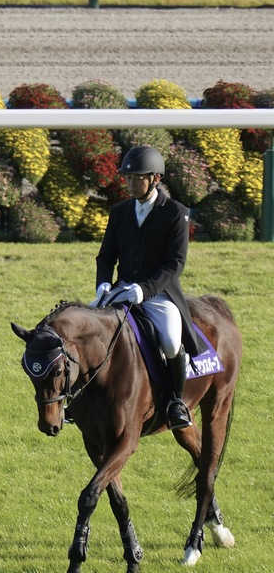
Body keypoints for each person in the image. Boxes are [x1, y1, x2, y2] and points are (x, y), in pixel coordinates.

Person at [92, 145, 199, 430]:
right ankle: (82, 399)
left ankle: (176, 401)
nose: (130, 183)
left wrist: (144, 290)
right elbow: (106, 256)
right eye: (127, 178)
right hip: (121, 289)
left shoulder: (175, 212)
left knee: (170, 339)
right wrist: (103, 284)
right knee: (87, 326)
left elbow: (175, 263)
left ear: (155, 179)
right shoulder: (120, 212)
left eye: (137, 177)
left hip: (159, 294)